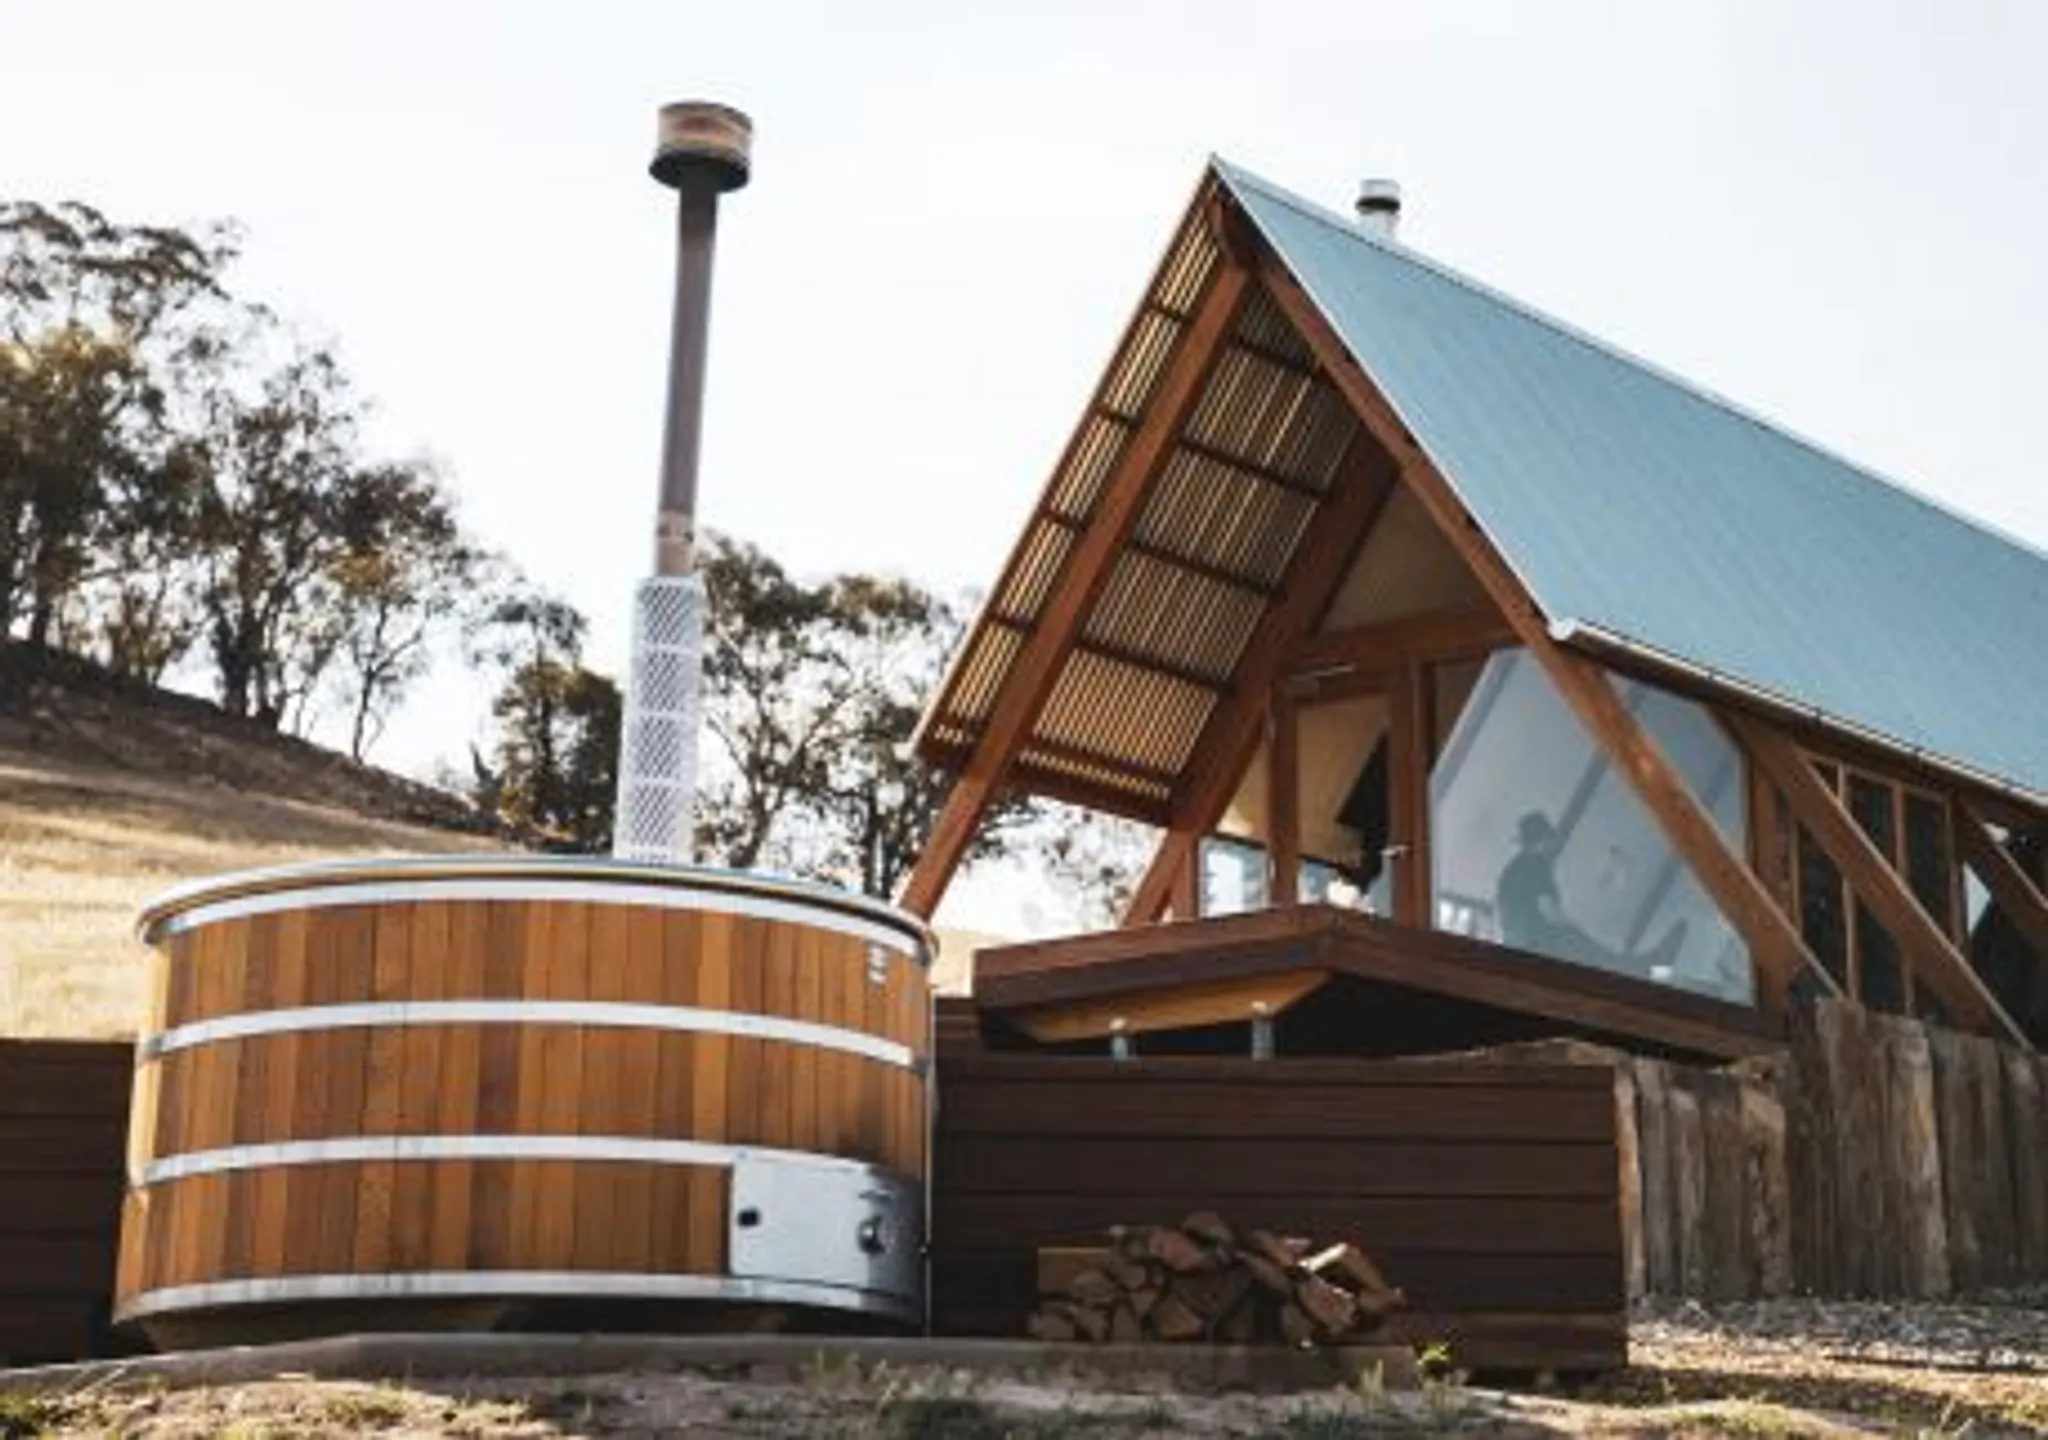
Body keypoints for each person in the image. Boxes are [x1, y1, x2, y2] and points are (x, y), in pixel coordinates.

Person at [1495, 811, 1687, 977]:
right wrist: (1575, 930)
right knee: (1591, 951)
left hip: (1516, 943)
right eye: (1550, 839)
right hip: (1538, 943)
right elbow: (1549, 911)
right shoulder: (1536, 865)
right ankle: (1649, 969)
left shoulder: (1512, 869)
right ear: (1543, 839)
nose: (1553, 844)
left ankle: (1646, 968)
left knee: (1594, 953)